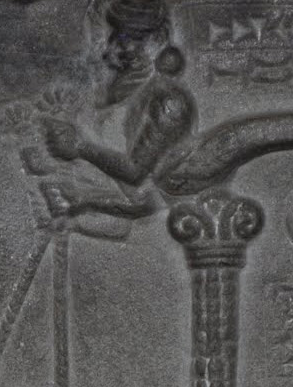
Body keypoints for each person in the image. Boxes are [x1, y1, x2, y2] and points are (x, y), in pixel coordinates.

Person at [36, 0, 194, 224]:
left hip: (155, 210)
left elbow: (136, 176)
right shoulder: (115, 86)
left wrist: (79, 147)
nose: (110, 49)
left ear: (155, 42)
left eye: (125, 38)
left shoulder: (168, 103)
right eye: (112, 36)